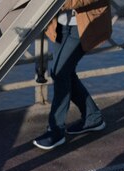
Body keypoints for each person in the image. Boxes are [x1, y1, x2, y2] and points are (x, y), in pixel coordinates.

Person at [33, 0, 112, 150]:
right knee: (65, 73)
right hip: (60, 24)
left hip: (84, 25)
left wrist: (60, 3)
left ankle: (56, 131)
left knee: (61, 73)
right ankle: (92, 118)